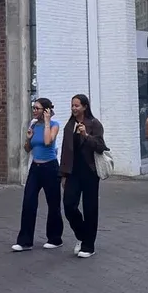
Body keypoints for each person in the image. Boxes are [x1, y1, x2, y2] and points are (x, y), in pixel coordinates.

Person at [12, 98, 64, 252]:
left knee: (53, 204)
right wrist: (28, 138)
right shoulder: (33, 125)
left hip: (50, 168)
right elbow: (28, 149)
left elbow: (47, 142)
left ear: (46, 110)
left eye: (37, 108)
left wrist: (47, 122)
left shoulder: (54, 125)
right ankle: (25, 241)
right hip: (35, 168)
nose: (34, 111)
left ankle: (55, 239)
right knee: (28, 202)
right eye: (33, 108)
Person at [60, 94, 107, 258]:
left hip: (90, 172)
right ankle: (82, 235)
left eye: (77, 105)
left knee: (90, 208)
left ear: (85, 107)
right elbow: (65, 151)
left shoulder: (94, 124)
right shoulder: (69, 125)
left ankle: (89, 246)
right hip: (73, 172)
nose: (74, 108)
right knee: (68, 205)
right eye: (72, 105)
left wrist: (86, 136)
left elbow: (100, 146)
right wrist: (63, 174)